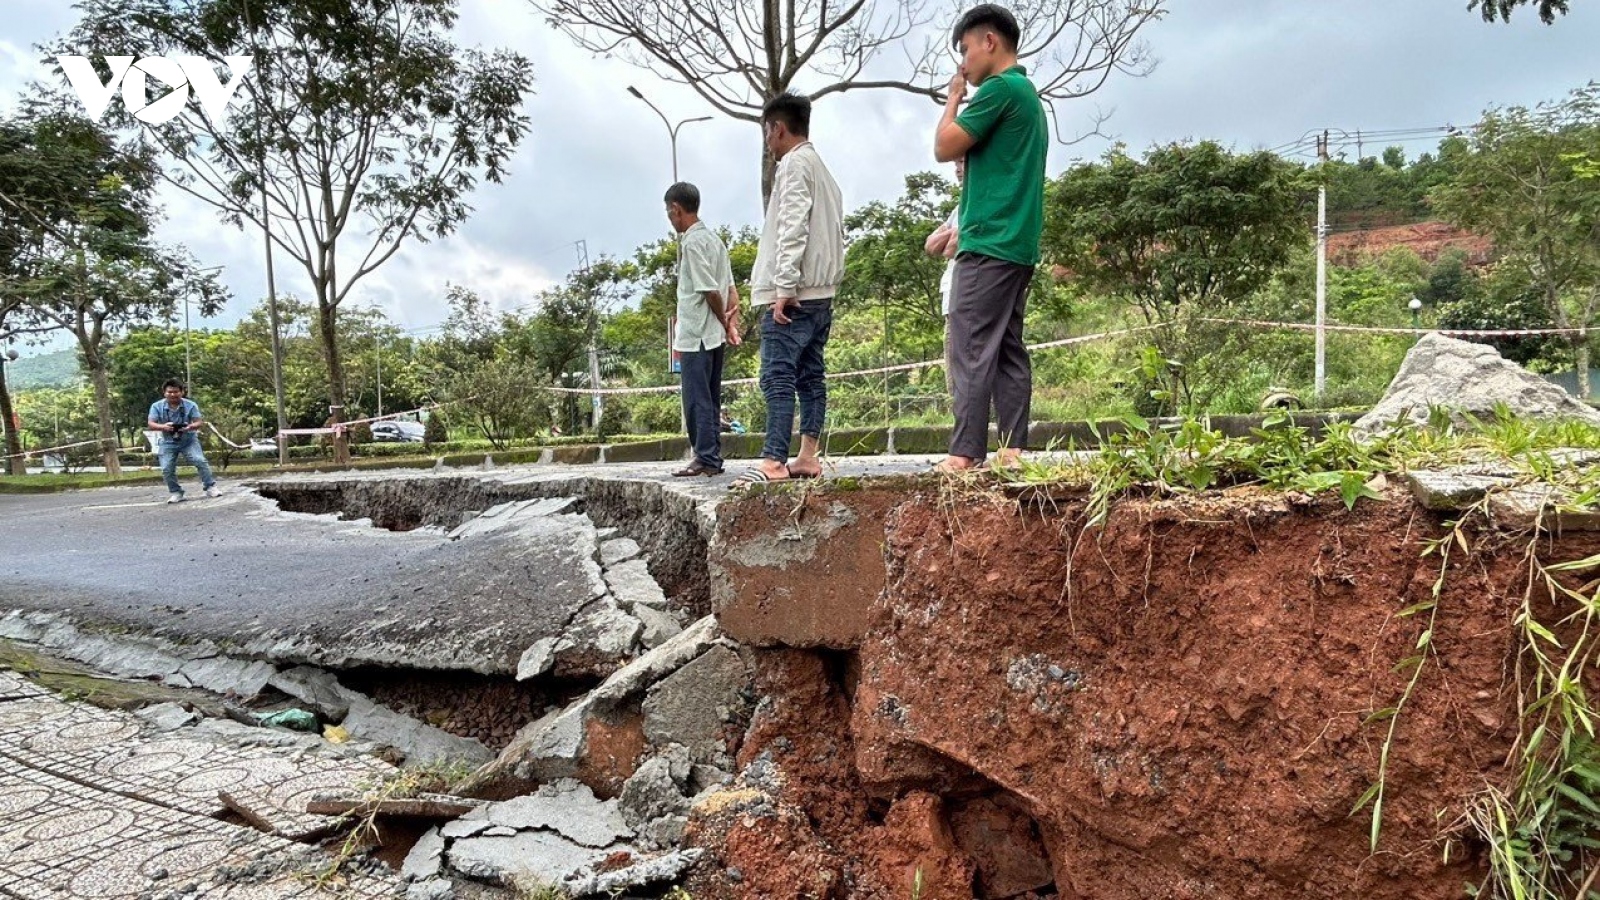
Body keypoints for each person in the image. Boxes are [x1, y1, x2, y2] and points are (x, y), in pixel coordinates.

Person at [933, 3, 1047, 473]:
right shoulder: (1028, 94)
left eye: (965, 50)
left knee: (971, 345)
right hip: (1019, 243)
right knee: (1006, 346)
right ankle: (1014, 448)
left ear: (989, 42)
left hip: (990, 241)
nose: (963, 62)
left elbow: (943, 147)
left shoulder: (999, 90)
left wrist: (954, 97)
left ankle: (965, 452)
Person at [736, 91, 845, 487]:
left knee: (777, 375)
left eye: (767, 132)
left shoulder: (793, 165)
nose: (767, 141)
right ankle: (807, 457)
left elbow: (792, 226)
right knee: (811, 376)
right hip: (821, 293)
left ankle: (773, 460)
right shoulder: (824, 172)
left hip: (794, 293)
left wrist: (784, 286)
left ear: (777, 128)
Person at [665, 181, 741, 477]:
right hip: (714, 336)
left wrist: (723, 320)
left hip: (697, 334)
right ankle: (711, 457)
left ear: (676, 209)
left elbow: (711, 291)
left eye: (669, 213)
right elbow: (732, 291)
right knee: (710, 396)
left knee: (696, 398)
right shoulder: (716, 241)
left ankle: (705, 457)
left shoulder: (692, 243)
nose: (670, 219)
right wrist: (731, 326)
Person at [924, 157, 966, 397]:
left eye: (962, 162)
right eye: (955, 165)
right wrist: (951, 233)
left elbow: (949, 248)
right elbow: (931, 245)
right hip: (950, 299)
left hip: (965, 295)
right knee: (953, 368)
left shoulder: (978, 202)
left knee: (966, 367)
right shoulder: (958, 209)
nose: (958, 170)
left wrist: (949, 236)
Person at [147, 379, 219, 503]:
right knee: (166, 468)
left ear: (182, 392)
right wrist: (164, 427)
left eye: (176, 392)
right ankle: (176, 492)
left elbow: (198, 421)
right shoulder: (156, 406)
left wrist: (190, 426)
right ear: (164, 392)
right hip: (168, 440)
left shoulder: (191, 405)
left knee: (200, 460)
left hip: (188, 439)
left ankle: (210, 487)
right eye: (169, 392)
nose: (173, 395)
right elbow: (151, 424)